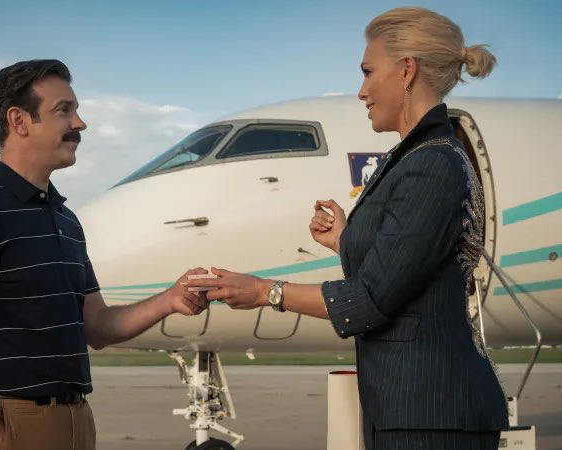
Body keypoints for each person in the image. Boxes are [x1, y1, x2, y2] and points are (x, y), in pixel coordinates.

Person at [185, 7, 509, 449]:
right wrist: (345, 240)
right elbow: (407, 268)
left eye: (368, 72)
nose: (362, 91)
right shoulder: (413, 158)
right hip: (408, 409)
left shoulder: (431, 164)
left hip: (433, 413)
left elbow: (371, 299)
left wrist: (265, 292)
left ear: (407, 71)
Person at [0, 59, 209, 450]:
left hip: (75, 421)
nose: (80, 123)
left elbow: (99, 327)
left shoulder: (65, 220)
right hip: (10, 424)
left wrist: (170, 300)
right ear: (19, 121)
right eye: (63, 111)